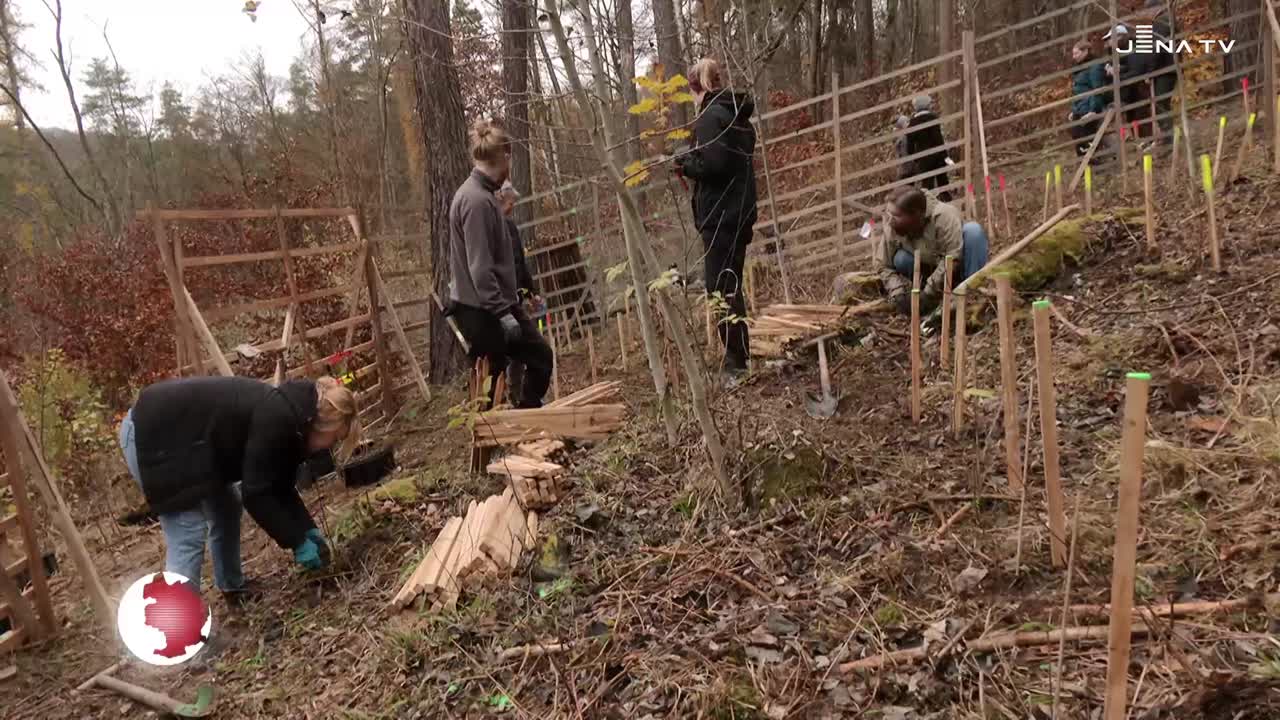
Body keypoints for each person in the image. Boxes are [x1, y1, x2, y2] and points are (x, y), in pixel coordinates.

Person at [118, 376, 358, 604]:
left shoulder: (295, 419)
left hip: (192, 444)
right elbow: (256, 495)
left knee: (226, 507)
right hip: (156, 437)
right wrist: (296, 542)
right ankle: (179, 633)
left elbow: (278, 485)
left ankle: (232, 587)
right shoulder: (280, 419)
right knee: (188, 533)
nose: (331, 446)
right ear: (324, 426)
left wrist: (307, 529)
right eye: (334, 438)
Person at [447, 119, 553, 408]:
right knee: (492, 384)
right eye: (509, 159)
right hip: (482, 311)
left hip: (492, 305)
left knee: (539, 358)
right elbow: (480, 269)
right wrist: (504, 315)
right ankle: (493, 448)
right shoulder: (476, 202)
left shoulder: (482, 196)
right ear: (503, 157)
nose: (510, 168)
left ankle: (527, 420)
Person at [675, 57, 757, 381]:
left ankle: (736, 361)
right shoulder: (734, 114)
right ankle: (741, 354)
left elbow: (715, 165)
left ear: (697, 88)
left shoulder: (710, 117)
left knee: (719, 289)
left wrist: (686, 165)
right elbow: (724, 159)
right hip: (738, 211)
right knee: (731, 283)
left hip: (722, 215)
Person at [873, 187, 989, 317]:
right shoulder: (892, 225)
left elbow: (952, 257)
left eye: (896, 216)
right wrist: (898, 293)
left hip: (958, 267)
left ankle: (971, 291)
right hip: (930, 271)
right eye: (888, 214)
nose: (889, 220)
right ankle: (928, 299)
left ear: (916, 215)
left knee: (973, 232)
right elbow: (882, 264)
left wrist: (929, 291)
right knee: (901, 259)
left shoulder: (944, 216)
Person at [496, 180, 543, 403]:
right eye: (509, 202)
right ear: (498, 199)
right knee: (506, 351)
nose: (512, 206)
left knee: (522, 349)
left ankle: (520, 397)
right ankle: (502, 400)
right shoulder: (490, 230)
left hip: (515, 298)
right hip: (498, 302)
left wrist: (531, 293)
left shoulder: (512, 228)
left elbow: (520, 264)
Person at [905, 95, 952, 202]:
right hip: (937, 156)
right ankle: (948, 202)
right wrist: (945, 156)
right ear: (927, 105)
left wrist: (915, 158)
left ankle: (929, 206)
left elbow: (910, 145)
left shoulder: (912, 123)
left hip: (923, 158)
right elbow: (938, 139)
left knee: (927, 185)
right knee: (942, 182)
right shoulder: (933, 118)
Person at [1069, 39, 1108, 157]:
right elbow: (1076, 91)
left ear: (1085, 51)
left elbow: (1097, 88)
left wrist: (1093, 110)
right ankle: (1085, 167)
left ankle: (1093, 164)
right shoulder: (1079, 69)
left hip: (1088, 107)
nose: (1074, 56)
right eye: (1073, 54)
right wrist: (1073, 109)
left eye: (1076, 53)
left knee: (1087, 137)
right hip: (1079, 107)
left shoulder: (1094, 66)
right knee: (1077, 137)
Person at [1146, 0, 1178, 140]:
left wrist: (1150, 71)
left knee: (1160, 103)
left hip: (1164, 69)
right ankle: (1168, 136)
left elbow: (1156, 49)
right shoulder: (1168, 21)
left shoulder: (1160, 23)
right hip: (1170, 66)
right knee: (1163, 103)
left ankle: (1168, 137)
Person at [893, 115, 912, 180]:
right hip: (906, 168)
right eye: (907, 122)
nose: (908, 124)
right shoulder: (903, 137)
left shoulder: (902, 136)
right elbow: (904, 154)